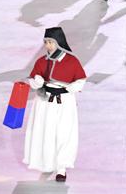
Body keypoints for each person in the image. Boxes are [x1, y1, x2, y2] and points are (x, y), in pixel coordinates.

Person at [23, 27, 87, 183]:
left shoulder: (72, 61)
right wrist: (36, 82)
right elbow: (33, 79)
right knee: (45, 132)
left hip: (64, 103)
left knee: (64, 133)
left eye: (51, 42)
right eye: (45, 42)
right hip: (45, 102)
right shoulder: (41, 62)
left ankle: (61, 168)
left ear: (59, 42)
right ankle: (47, 162)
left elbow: (80, 79)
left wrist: (73, 87)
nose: (48, 46)